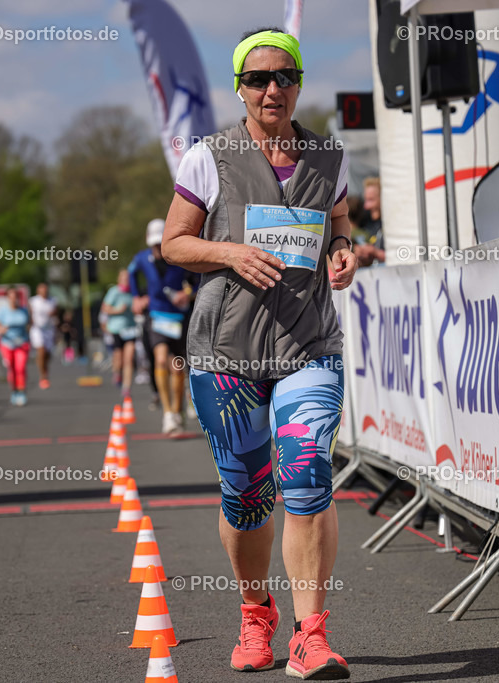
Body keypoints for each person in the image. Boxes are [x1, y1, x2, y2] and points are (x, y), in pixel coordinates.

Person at [161, 28, 356, 679]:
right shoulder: (209, 157)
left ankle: (312, 634)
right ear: (240, 87)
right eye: (259, 79)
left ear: (299, 83)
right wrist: (229, 251)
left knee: (306, 471)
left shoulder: (329, 156)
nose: (273, 89)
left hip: (309, 346)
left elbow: (342, 220)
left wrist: (343, 251)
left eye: (285, 76)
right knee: (248, 494)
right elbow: (174, 243)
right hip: (227, 354)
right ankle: (255, 611)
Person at [128, 219, 197, 435]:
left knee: (177, 368)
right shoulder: (141, 259)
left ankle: (177, 411)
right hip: (156, 316)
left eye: (160, 243)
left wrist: (186, 294)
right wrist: (136, 298)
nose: (158, 249)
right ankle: (167, 413)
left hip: (178, 318)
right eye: (154, 245)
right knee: (159, 359)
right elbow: (131, 274)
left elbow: (198, 280)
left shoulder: (180, 257)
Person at [102, 269, 138, 397]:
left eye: (127, 278)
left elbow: (138, 306)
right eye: (123, 278)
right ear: (119, 279)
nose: (126, 281)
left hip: (130, 328)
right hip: (116, 329)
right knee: (119, 358)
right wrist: (118, 310)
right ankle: (117, 372)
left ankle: (126, 386)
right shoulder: (114, 292)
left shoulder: (133, 292)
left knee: (129, 357)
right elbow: (105, 308)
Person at [0, 286, 32, 406]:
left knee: (20, 368)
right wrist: (2, 330)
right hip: (7, 343)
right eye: (11, 296)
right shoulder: (2, 311)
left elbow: (29, 325)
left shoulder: (23, 311)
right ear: (7, 298)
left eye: (15, 296)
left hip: (21, 343)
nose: (13, 299)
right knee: (11, 368)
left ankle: (21, 392)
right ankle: (14, 391)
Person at [28, 283, 57, 389]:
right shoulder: (33, 301)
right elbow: (30, 314)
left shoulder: (52, 300)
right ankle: (42, 376)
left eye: (45, 290)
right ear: (38, 291)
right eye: (42, 290)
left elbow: (56, 312)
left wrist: (53, 313)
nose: (44, 292)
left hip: (49, 329)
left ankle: (45, 369)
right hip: (37, 329)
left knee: (47, 354)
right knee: (41, 351)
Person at [353, 177, 386, 267]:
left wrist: (376, 253)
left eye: (371, 200)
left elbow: (407, 256)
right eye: (366, 200)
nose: (366, 206)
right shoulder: (372, 226)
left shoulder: (399, 227)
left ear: (384, 199)